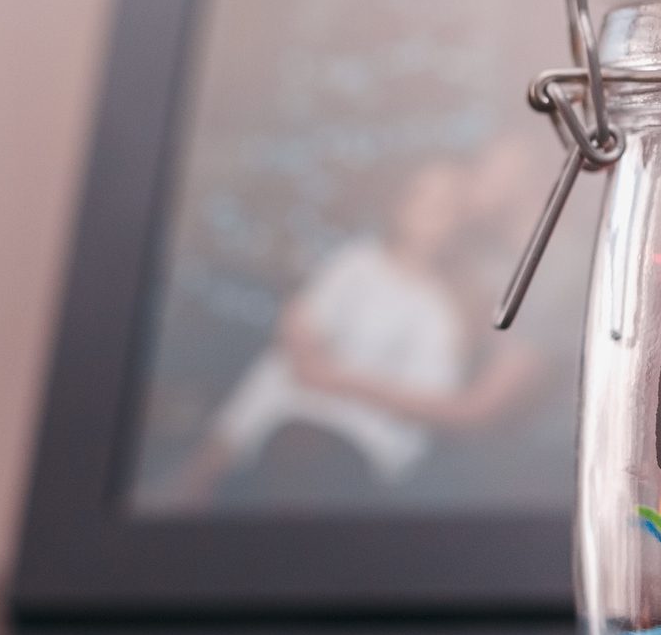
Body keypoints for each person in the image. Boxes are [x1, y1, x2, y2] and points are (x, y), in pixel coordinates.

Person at [168, 161, 473, 506]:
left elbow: (430, 398)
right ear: (400, 202)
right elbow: (304, 332)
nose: (432, 210)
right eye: (422, 196)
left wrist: (339, 380)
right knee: (271, 391)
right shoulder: (356, 262)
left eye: (447, 203)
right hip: (293, 400)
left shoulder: (441, 307)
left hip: (364, 433)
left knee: (299, 455)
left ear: (459, 220)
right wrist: (302, 341)